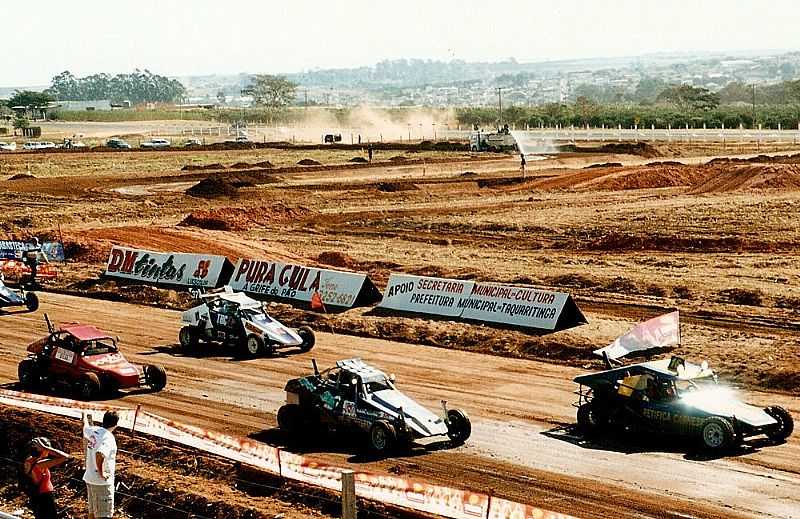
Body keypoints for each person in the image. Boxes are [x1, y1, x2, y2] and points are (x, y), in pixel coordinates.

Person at [22, 437, 71, 519]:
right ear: (41, 449)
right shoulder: (40, 464)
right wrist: (45, 447)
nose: (49, 450)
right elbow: (66, 457)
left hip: (36, 497)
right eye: (48, 448)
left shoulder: (29, 461)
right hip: (45, 498)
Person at [83, 411, 118, 519]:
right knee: (104, 516)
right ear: (116, 425)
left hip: (90, 478)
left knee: (92, 513)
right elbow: (100, 454)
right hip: (101, 483)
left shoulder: (93, 431)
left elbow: (85, 427)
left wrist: (84, 415)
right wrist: (102, 473)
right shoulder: (108, 438)